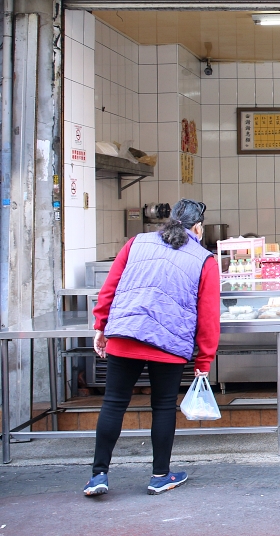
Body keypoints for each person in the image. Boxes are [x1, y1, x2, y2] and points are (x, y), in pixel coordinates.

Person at [84, 199, 220, 497]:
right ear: (198, 227)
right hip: (169, 344)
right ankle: (160, 476)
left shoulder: (136, 243)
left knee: (114, 403)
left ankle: (98, 476)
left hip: (125, 333)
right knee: (162, 406)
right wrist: (204, 360)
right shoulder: (204, 259)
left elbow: (111, 287)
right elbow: (209, 315)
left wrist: (100, 326)